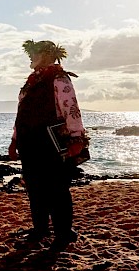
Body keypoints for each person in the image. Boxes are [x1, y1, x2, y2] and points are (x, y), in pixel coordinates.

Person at [8, 40, 88, 244]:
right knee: (34, 188)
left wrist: (77, 137)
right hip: (29, 141)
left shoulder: (60, 79)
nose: (30, 57)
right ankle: (40, 229)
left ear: (44, 55)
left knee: (57, 188)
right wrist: (15, 140)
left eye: (33, 53)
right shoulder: (30, 82)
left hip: (52, 141)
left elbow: (71, 108)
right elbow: (20, 114)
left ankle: (63, 233)